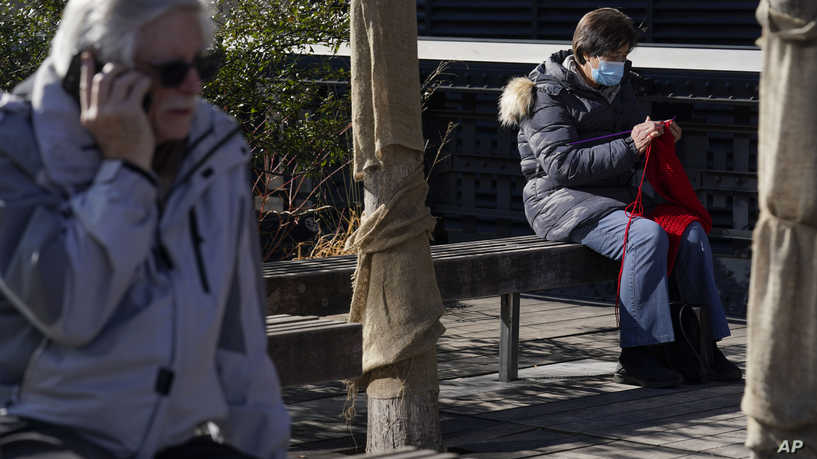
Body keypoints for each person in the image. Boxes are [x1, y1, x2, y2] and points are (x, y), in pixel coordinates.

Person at [0, 0, 290, 457]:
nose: (194, 85)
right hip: (42, 432)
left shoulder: (214, 145)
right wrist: (126, 170)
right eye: (172, 71)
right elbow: (72, 313)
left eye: (204, 64)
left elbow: (240, 338)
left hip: (173, 439)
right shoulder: (13, 148)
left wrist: (263, 449)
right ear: (92, 74)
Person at [498, 7, 742, 388]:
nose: (620, 65)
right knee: (645, 237)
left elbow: (631, 140)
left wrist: (658, 138)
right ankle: (639, 354)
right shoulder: (544, 96)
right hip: (560, 201)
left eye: (625, 57)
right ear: (582, 56)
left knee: (690, 234)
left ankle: (700, 345)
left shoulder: (620, 87)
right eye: (612, 59)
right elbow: (563, 166)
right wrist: (632, 144)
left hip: (616, 197)